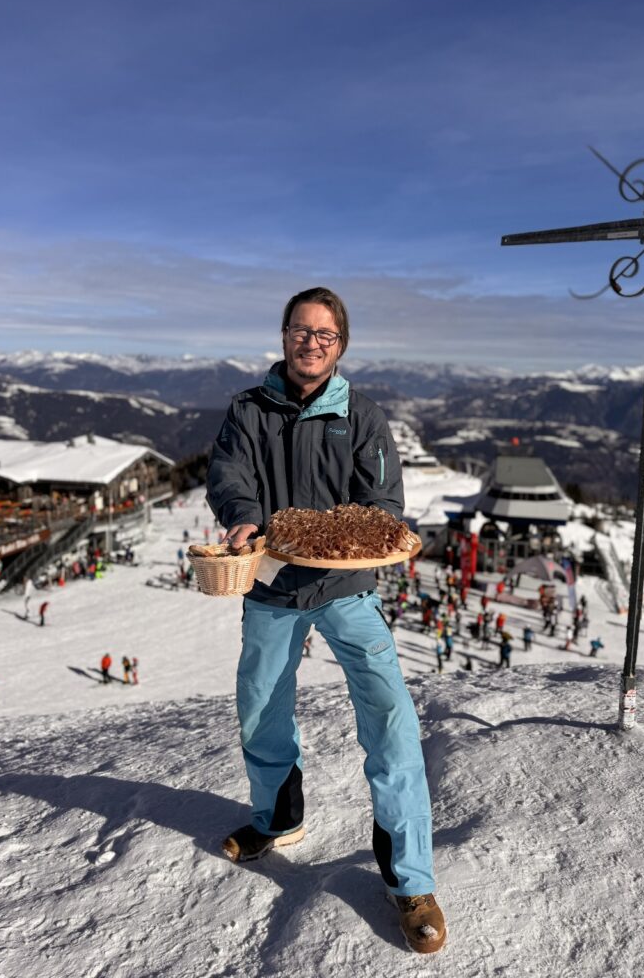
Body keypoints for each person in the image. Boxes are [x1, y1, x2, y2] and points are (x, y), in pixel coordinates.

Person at [206, 287, 445, 954]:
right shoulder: (249, 409)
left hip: (348, 588)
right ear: (283, 335)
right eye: (300, 330)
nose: (311, 343)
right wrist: (243, 517)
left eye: (324, 334)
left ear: (341, 344)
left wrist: (346, 542)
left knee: (390, 717)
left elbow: (383, 503)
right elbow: (228, 474)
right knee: (261, 707)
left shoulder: (361, 416)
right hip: (273, 583)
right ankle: (276, 819)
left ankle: (410, 880)